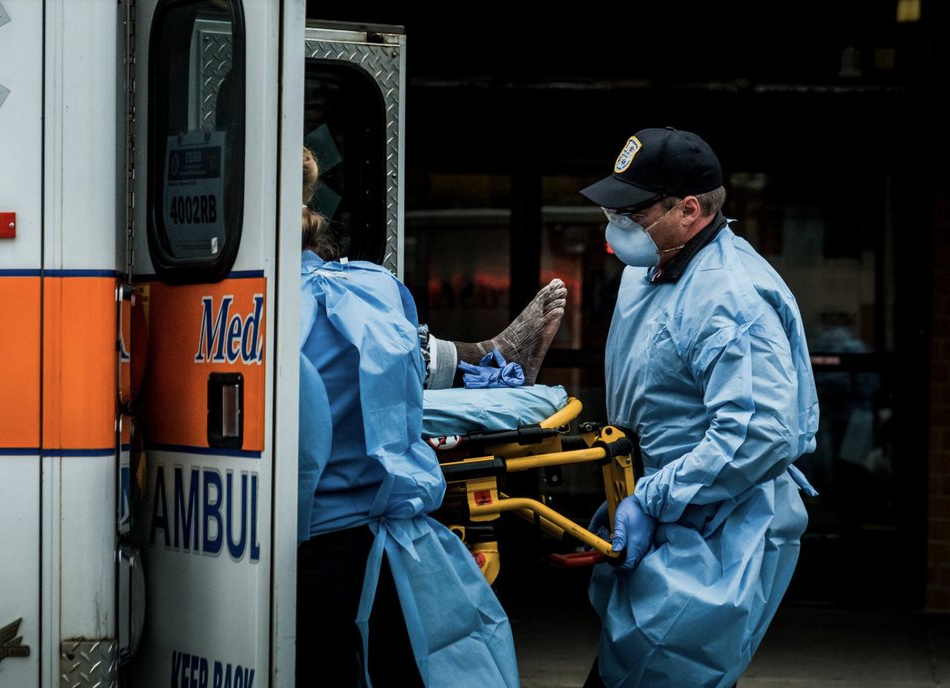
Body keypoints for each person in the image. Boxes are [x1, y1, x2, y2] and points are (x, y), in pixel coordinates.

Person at [577, 127, 820, 688]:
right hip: (665, 516)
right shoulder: (651, 267)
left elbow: (758, 434)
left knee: (665, 671)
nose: (613, 225)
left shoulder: (730, 296)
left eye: (630, 212)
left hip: (718, 528)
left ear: (688, 209)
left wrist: (651, 496)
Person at [294, 146, 524, 687]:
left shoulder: (253, 310)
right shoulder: (373, 288)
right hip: (383, 546)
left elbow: (304, 453)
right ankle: (490, 358)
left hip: (311, 550)